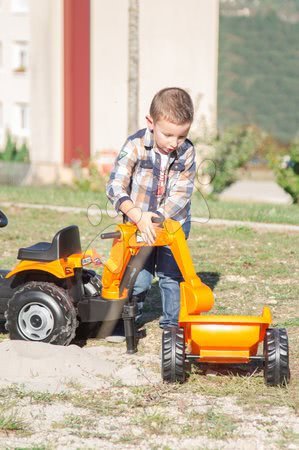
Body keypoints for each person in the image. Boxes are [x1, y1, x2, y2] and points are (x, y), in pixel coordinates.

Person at [106, 87, 196, 328]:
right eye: (168, 135)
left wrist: (156, 216)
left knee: (170, 275)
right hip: (137, 222)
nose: (174, 143)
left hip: (173, 221)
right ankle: (128, 322)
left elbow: (182, 193)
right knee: (139, 277)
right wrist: (137, 215)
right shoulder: (135, 145)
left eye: (181, 136)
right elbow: (115, 186)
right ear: (151, 122)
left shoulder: (187, 152)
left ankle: (171, 326)